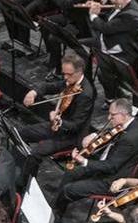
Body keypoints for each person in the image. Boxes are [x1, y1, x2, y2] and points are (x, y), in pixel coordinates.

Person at [53, 98, 138, 212]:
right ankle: (54, 206)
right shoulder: (131, 122)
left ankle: (55, 214)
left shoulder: (130, 139)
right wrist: (95, 135)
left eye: (112, 115)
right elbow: (112, 130)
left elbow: (111, 166)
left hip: (111, 179)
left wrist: (84, 161)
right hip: (107, 163)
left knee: (69, 190)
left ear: (124, 115)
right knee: (71, 172)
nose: (109, 118)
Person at [19, 51, 95, 185]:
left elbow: (76, 125)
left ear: (79, 71)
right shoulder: (70, 81)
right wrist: (34, 92)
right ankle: (20, 169)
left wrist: (59, 120)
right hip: (56, 127)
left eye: (68, 74)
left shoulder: (86, 94)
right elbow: (49, 86)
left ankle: (26, 185)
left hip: (70, 136)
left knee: (36, 153)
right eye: (64, 73)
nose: (65, 77)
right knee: (21, 134)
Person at [37, 0, 103, 70]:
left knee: (54, 38)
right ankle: (53, 55)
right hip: (70, 16)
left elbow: (66, 4)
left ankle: (57, 68)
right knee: (44, 23)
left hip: (79, 24)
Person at [80, 0, 138, 99]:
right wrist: (98, 6)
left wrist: (93, 15)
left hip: (122, 52)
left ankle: (111, 98)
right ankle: (87, 84)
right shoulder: (121, 4)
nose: (113, 0)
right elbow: (110, 17)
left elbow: (106, 28)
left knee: (101, 72)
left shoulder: (131, 14)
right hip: (109, 42)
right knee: (79, 47)